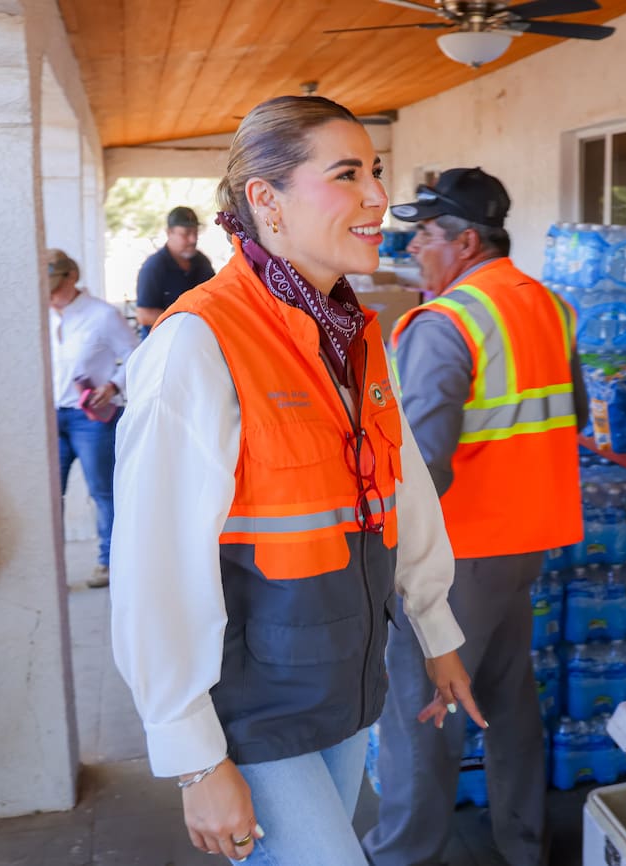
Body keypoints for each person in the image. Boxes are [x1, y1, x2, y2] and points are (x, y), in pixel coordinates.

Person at [110, 95, 483, 866]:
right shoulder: (197, 345)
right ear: (265, 201)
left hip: (343, 692)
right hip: (250, 710)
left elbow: (401, 490)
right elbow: (154, 572)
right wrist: (196, 760)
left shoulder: (352, 336)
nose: (379, 197)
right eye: (346, 174)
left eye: (374, 172)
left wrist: (436, 628)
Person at [364, 167, 587, 866]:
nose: (414, 252)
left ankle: (402, 854)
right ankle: (525, 845)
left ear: (463, 242)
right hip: (530, 540)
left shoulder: (447, 323)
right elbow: (572, 414)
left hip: (459, 554)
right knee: (508, 698)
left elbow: (423, 463)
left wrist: (381, 546)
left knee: (423, 710)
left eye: (424, 236)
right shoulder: (549, 306)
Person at [48, 249, 136, 589]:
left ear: (72, 278)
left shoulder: (101, 315)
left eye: (54, 286)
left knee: (102, 492)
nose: (49, 295)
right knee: (48, 495)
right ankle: (51, 567)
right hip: (49, 417)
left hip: (90, 418)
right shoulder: (40, 314)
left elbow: (134, 355)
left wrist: (113, 386)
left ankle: (108, 562)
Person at [134, 206, 216, 339]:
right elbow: (144, 315)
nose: (193, 239)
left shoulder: (202, 262)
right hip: (162, 346)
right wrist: (188, 320)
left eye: (195, 233)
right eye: (186, 233)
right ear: (169, 232)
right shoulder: (154, 267)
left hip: (198, 341)